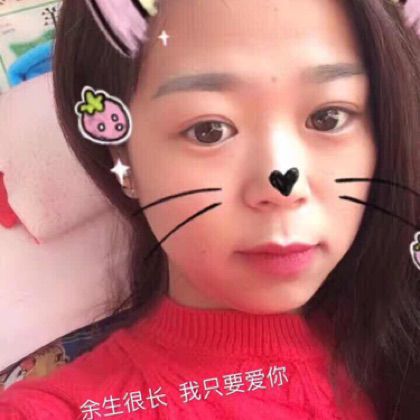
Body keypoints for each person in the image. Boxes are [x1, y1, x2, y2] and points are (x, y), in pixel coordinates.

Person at [1, 0, 419, 418]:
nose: (282, 186)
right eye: (209, 130)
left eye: (328, 117)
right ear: (121, 155)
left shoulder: (396, 343)